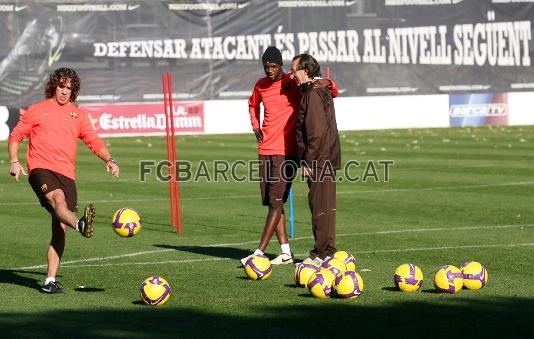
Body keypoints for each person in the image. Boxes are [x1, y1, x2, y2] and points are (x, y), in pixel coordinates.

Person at [7, 67, 120, 294]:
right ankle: (81, 224)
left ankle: (49, 281)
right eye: (61, 86)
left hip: (67, 174)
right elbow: (16, 135)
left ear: (74, 91)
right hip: (41, 168)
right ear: (54, 86)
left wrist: (109, 159)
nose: (65, 92)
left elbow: (94, 141)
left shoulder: (78, 115)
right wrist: (13, 161)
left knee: (60, 228)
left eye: (69, 88)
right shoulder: (37, 110)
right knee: (57, 199)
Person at [243, 46, 338, 266]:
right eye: (266, 66)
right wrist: (255, 126)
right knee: (271, 202)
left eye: (273, 66)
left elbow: (327, 88)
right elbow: (252, 105)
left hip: (286, 152)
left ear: (281, 66)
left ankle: (259, 253)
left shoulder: (292, 82)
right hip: (265, 149)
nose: (269, 70)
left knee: (277, 202)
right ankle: (286, 252)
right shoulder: (260, 85)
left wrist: (328, 83)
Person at [291, 54, 341, 266]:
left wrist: (307, 162)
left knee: (320, 208)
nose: (292, 74)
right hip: (326, 158)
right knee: (326, 208)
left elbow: (316, 133)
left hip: (319, 161)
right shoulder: (318, 90)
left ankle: (319, 255)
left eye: (294, 70)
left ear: (305, 71)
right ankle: (327, 252)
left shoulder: (312, 95)